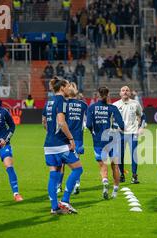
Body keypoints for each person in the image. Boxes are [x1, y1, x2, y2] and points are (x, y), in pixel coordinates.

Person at [42, 77, 83, 214]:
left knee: (54, 175)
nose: (69, 89)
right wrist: (70, 138)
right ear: (62, 88)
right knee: (78, 169)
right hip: (61, 144)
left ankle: (54, 207)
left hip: (48, 145)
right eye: (67, 86)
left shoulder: (49, 101)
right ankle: (65, 200)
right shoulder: (62, 101)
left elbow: (44, 122)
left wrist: (52, 134)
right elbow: (61, 122)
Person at [86, 86, 125, 199]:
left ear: (97, 95)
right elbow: (122, 125)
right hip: (113, 141)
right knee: (115, 166)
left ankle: (105, 182)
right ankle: (115, 191)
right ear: (108, 95)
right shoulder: (113, 108)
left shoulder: (92, 108)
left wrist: (93, 132)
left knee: (102, 165)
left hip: (98, 141)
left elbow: (88, 125)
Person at [113, 86, 143, 184]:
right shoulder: (115, 105)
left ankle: (134, 176)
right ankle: (121, 174)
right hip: (120, 133)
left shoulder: (135, 103)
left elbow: (142, 116)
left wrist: (141, 127)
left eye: (127, 90)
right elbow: (111, 119)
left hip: (133, 133)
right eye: (123, 90)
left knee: (134, 154)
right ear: (120, 93)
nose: (125, 92)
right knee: (120, 156)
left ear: (130, 93)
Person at [66, 83, 88, 194]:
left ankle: (59, 185)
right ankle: (77, 184)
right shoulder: (83, 105)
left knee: (61, 163)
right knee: (76, 161)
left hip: (65, 137)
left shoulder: (64, 104)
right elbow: (88, 120)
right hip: (78, 137)